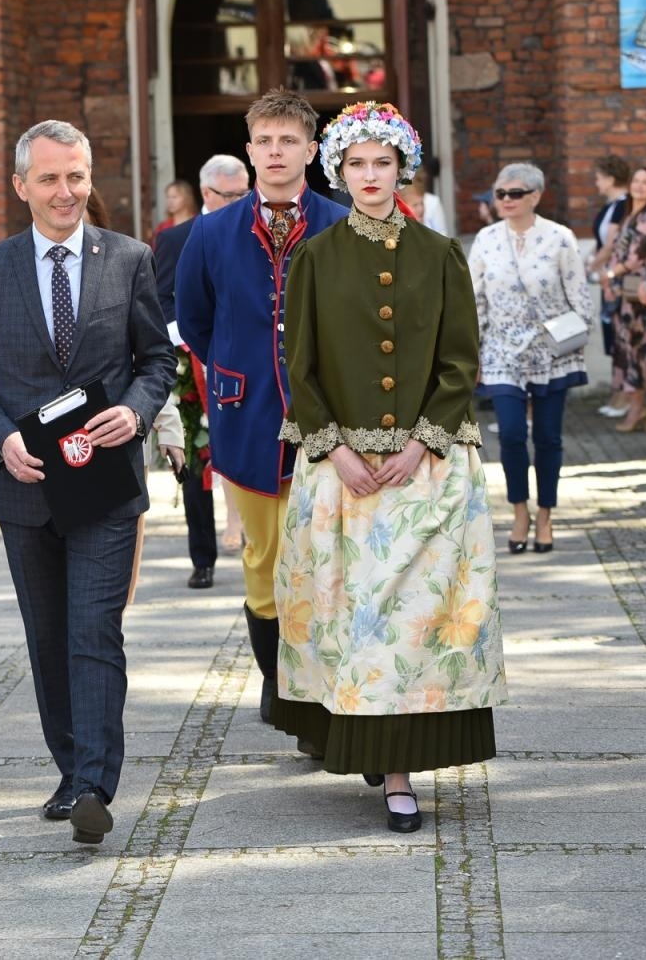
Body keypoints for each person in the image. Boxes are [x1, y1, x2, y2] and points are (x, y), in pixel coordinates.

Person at [0, 120, 176, 846]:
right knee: (48, 638)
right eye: (49, 178)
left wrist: (135, 413)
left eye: (76, 176)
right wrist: (1, 438)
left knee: (93, 630)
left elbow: (157, 361)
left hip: (105, 483)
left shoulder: (129, 259)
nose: (65, 191)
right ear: (22, 187)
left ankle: (95, 786)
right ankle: (72, 770)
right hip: (27, 485)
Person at [275, 101, 502, 833]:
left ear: (404, 168)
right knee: (358, 621)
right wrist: (336, 448)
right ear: (337, 171)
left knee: (413, 625)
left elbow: (460, 360)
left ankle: (400, 768)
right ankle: (379, 756)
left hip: (426, 469)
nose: (370, 175)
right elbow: (300, 366)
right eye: (357, 164)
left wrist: (421, 443)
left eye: (383, 162)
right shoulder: (315, 257)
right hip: (342, 473)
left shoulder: (440, 254)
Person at [175, 88, 348, 724]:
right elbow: (195, 318)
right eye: (265, 142)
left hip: (330, 419)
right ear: (249, 152)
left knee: (327, 556)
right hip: (245, 416)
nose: (276, 152)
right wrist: (236, 368)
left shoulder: (340, 223)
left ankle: (327, 688)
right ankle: (278, 683)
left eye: (288, 141)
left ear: (311, 150)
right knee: (263, 556)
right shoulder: (211, 231)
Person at [470, 162, 591, 553]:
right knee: (509, 433)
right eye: (500, 194)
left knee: (548, 437)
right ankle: (519, 510)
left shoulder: (560, 238)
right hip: (500, 351)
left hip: (550, 351)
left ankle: (545, 514)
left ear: (535, 196)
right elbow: (474, 300)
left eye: (515, 193)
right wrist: (472, 351)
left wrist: (575, 339)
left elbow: (580, 297)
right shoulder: (486, 239)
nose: (506, 200)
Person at [153, 154, 250, 589]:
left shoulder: (261, 227)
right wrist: (190, 338)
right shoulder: (176, 238)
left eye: (244, 194)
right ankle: (202, 557)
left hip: (248, 361)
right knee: (194, 459)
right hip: (192, 361)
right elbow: (161, 299)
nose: (239, 202)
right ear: (207, 193)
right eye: (229, 195)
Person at [601, 167, 646, 431]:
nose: (639, 186)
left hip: (637, 295)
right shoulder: (630, 213)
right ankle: (635, 408)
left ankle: (638, 410)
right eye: (636, 181)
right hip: (622, 292)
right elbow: (617, 250)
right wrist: (609, 281)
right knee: (626, 351)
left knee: (636, 353)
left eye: (645, 182)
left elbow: (638, 255)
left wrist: (610, 274)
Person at [589, 154, 632, 410]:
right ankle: (618, 393)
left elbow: (611, 244)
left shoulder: (622, 205)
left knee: (621, 336)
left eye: (598, 178)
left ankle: (626, 397)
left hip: (617, 278)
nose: (596, 182)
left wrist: (590, 266)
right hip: (607, 278)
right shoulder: (611, 205)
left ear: (610, 178)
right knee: (612, 336)